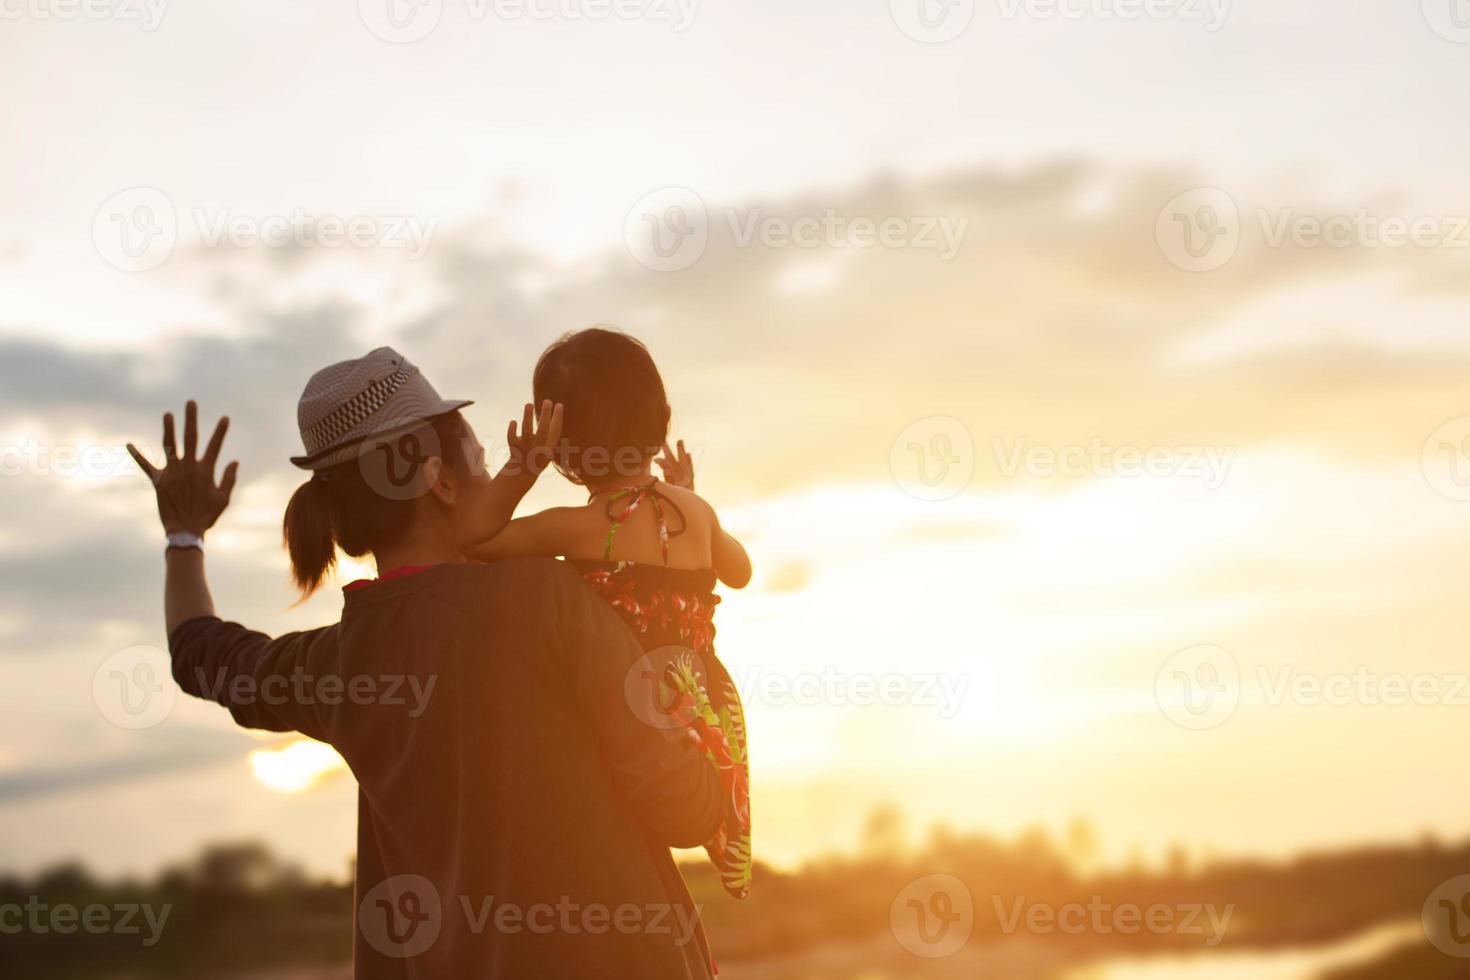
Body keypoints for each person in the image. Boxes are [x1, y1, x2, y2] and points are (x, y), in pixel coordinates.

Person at [126, 347, 723, 979]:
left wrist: (183, 535)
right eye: (485, 465)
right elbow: (686, 808)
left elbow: (199, 653)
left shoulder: (335, 665)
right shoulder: (550, 598)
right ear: (439, 479)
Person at [458, 328, 753, 900]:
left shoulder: (581, 526)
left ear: (564, 448)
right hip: (702, 709)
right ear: (660, 417)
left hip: (627, 709)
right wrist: (691, 499)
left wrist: (523, 467)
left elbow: (477, 540)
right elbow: (739, 573)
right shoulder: (696, 511)